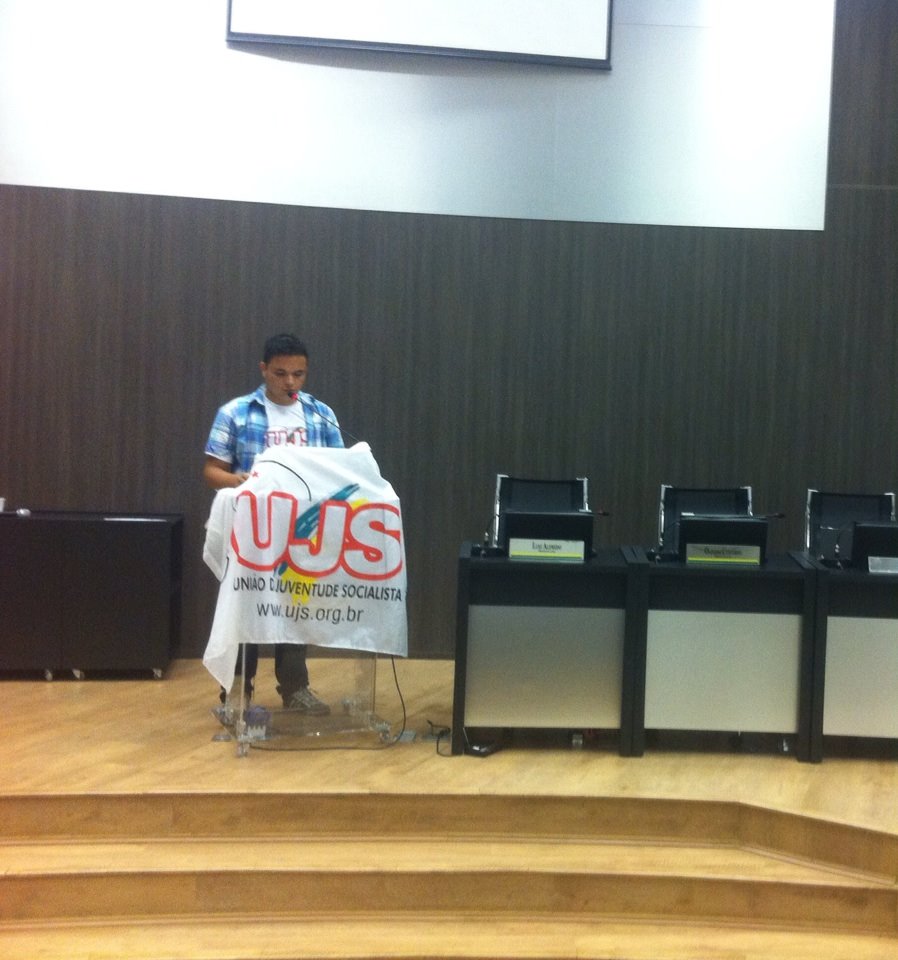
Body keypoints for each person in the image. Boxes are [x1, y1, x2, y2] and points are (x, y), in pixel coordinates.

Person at [203, 332, 344, 714]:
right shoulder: (236, 412)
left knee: (295, 607)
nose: (290, 382)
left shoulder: (320, 414)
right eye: (281, 374)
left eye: (299, 374)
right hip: (250, 530)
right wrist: (237, 480)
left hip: (300, 530)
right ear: (264, 370)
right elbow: (211, 471)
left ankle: (295, 688)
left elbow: (340, 469)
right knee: (245, 607)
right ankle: (237, 693)